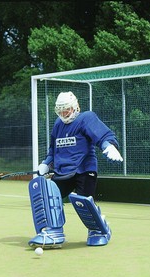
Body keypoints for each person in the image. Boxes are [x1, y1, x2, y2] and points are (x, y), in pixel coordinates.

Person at [28, 91, 123, 248]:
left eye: (67, 110)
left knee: (84, 203)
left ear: (75, 107)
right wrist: (46, 163)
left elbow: (101, 134)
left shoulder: (86, 118)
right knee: (49, 195)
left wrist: (109, 145)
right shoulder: (58, 125)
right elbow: (54, 149)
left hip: (84, 170)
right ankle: (53, 231)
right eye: (60, 111)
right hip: (63, 171)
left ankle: (99, 230)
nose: (64, 114)